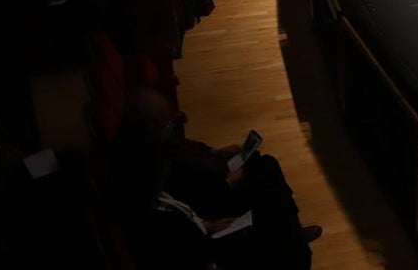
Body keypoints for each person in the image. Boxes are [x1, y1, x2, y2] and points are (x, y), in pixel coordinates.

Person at [108, 86, 317, 270]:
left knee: (265, 171)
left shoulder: (151, 158)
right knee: (271, 213)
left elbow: (184, 209)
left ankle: (292, 232)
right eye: (166, 120)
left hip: (207, 219)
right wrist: (226, 186)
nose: (175, 120)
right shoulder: (150, 181)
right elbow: (192, 235)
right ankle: (292, 237)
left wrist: (208, 224)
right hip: (213, 211)